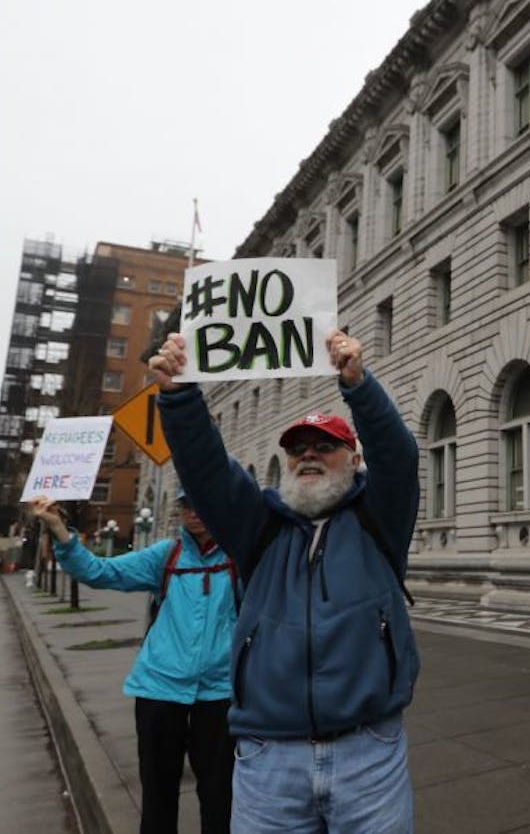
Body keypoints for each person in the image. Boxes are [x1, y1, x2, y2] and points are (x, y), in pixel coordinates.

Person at [148, 329, 419, 834]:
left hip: (370, 754)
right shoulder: (259, 527)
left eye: (326, 447)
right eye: (298, 450)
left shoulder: (378, 519)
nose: (309, 455)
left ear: (354, 459)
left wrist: (358, 385)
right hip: (268, 759)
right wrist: (179, 396)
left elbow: (400, 459)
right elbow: (208, 473)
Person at [30, 489, 236, 834]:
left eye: (201, 502)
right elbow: (99, 572)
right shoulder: (166, 555)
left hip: (219, 694)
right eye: (187, 505)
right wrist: (59, 529)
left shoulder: (240, 556)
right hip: (159, 690)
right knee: (158, 795)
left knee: (220, 799)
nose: (194, 512)